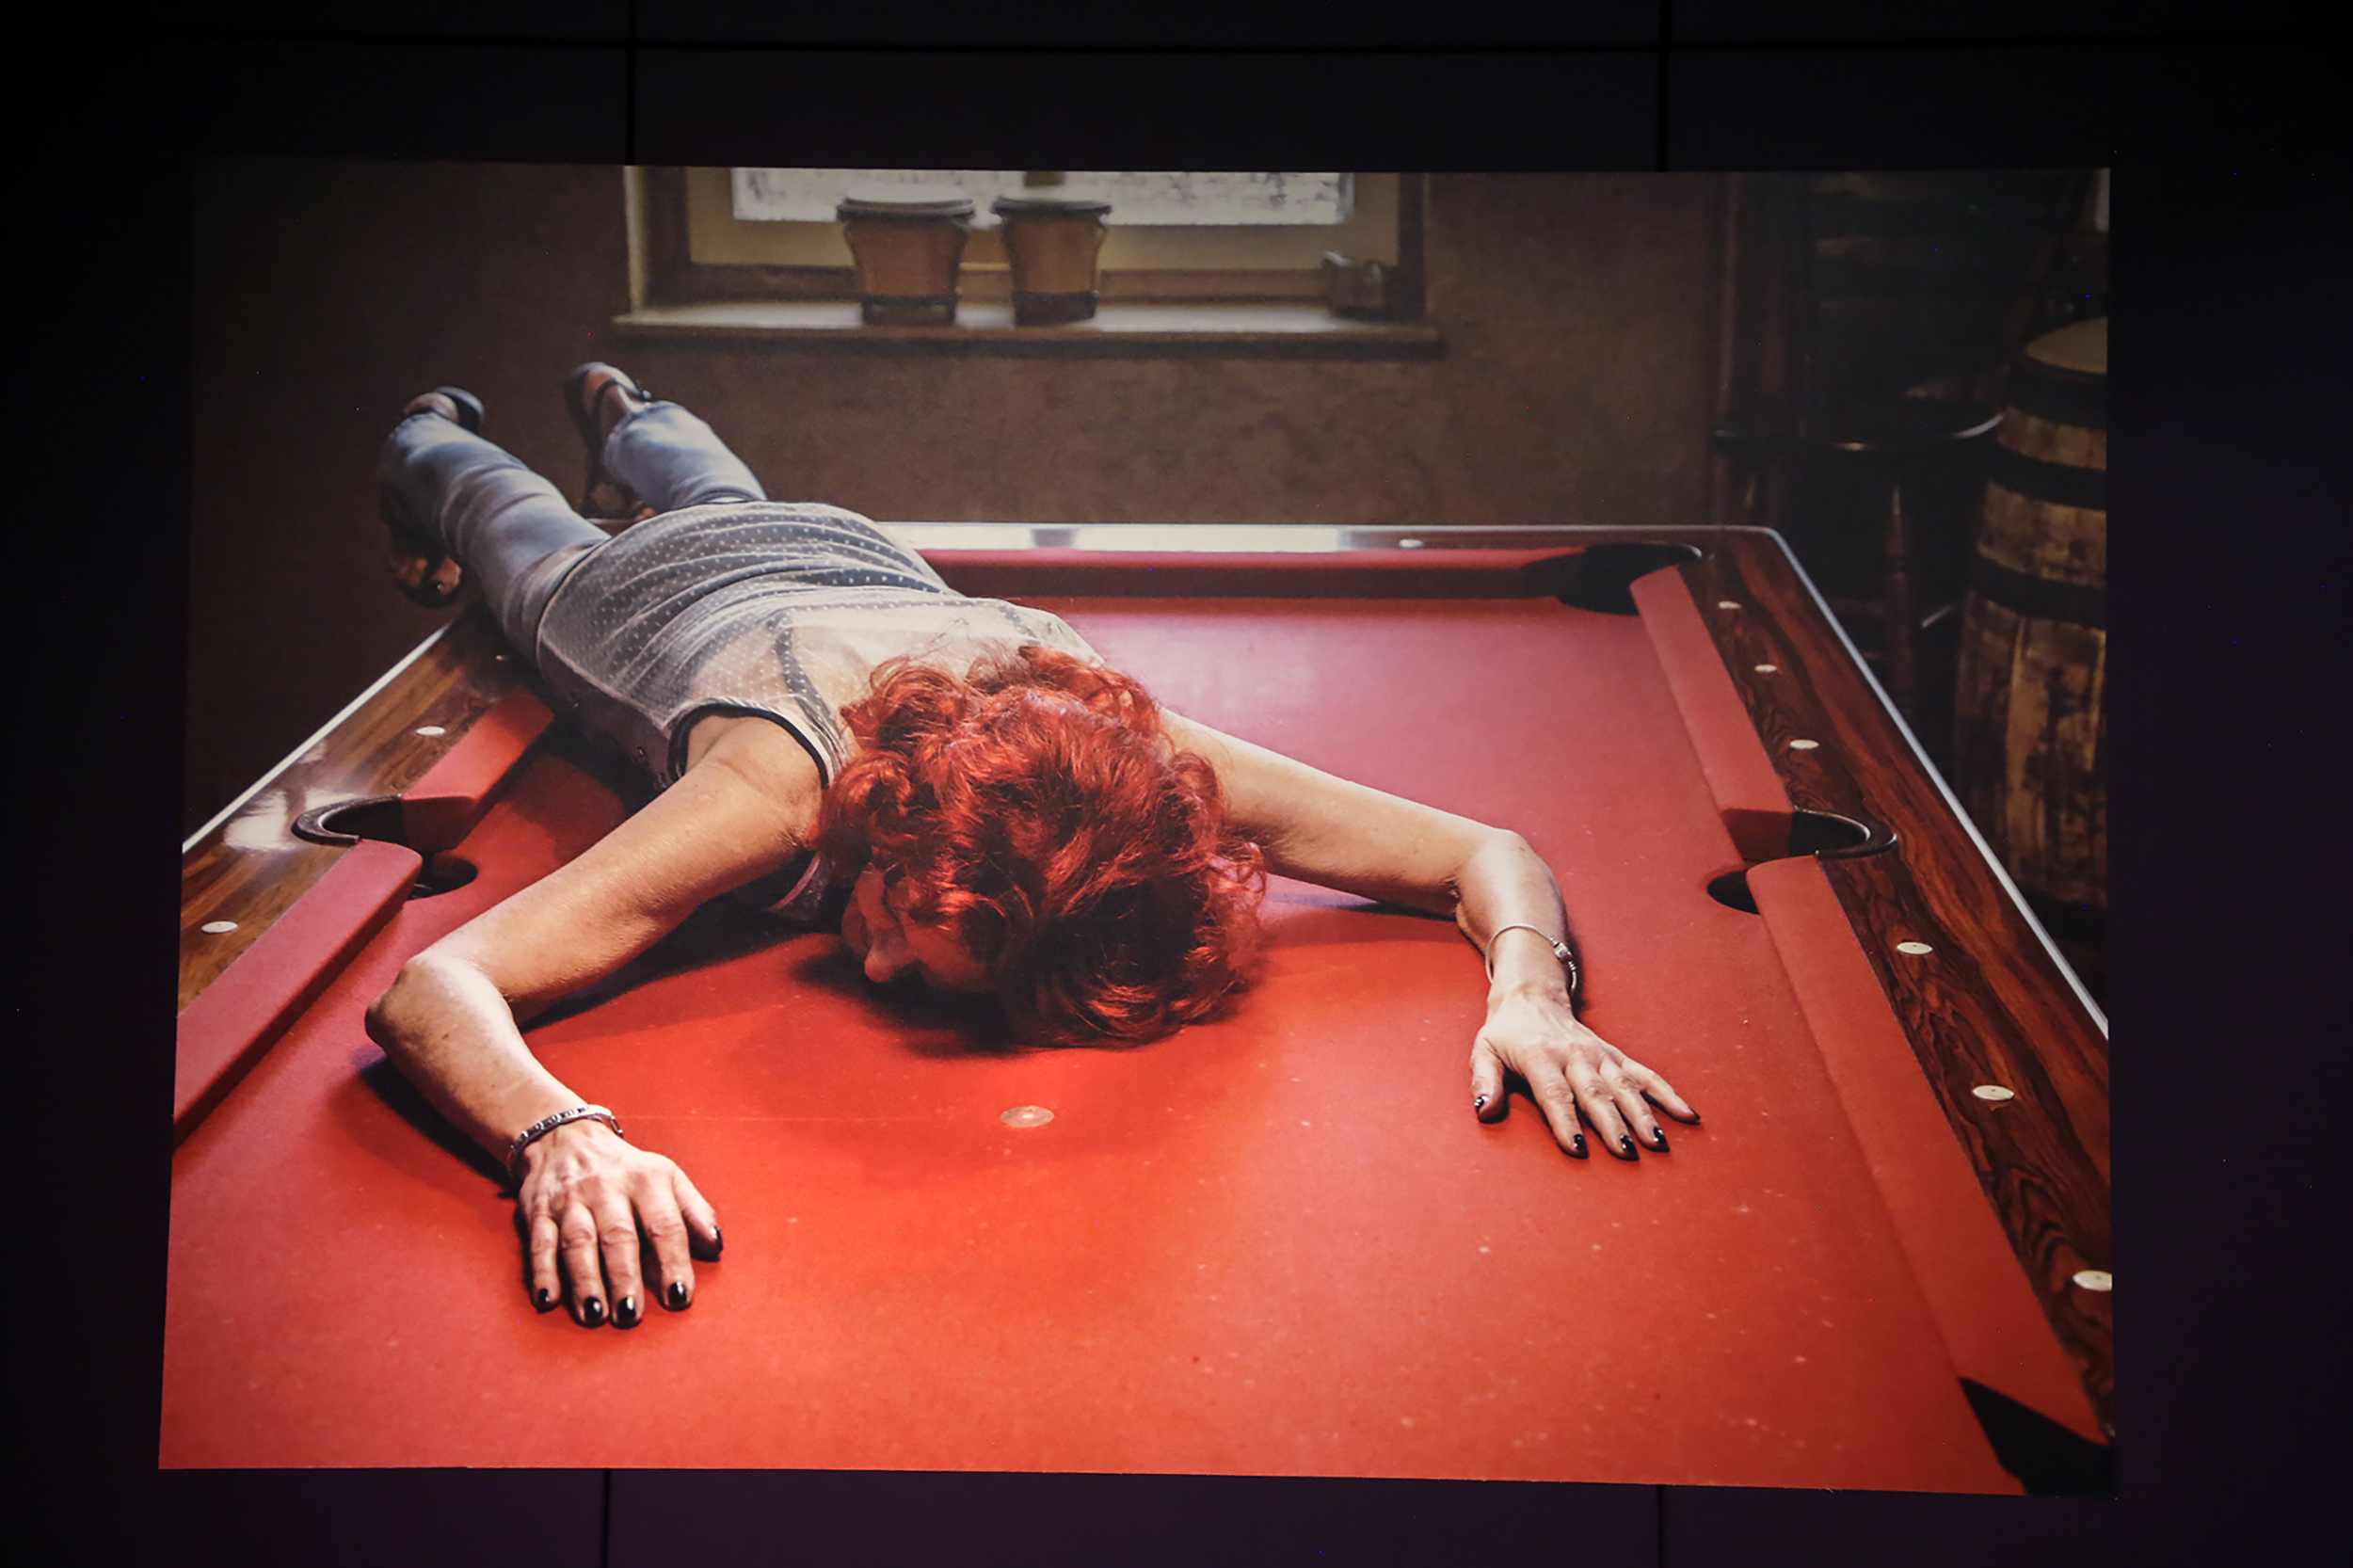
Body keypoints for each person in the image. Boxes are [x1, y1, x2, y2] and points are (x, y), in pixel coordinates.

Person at [364, 365, 1700, 1330]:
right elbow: (435, 988)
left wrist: (1532, 996)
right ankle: (437, 431)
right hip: (641, 594)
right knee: (502, 518)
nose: (875, 967)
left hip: (846, 550)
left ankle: (633, 413)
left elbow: (1482, 851)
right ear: (883, 821)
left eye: (916, 958)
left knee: (725, 489)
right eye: (895, 914)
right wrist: (560, 1136)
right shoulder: (779, 785)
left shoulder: (1133, 766)